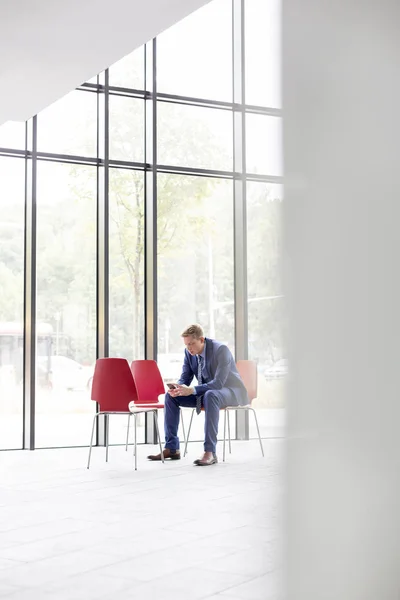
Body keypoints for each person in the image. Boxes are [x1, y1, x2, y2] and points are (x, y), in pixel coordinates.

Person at [148, 324, 249, 466]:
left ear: (201, 339)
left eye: (191, 344)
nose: (189, 348)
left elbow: (218, 384)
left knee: (211, 395)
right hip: (207, 392)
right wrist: (179, 386)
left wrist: (192, 390)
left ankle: (210, 452)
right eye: (186, 345)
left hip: (230, 391)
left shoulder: (221, 350)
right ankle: (172, 448)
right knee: (171, 396)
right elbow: (185, 377)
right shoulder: (189, 354)